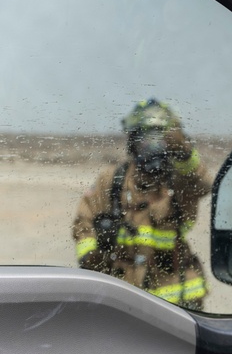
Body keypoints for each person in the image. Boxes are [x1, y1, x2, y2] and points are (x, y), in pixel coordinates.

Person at [72, 99, 210, 310]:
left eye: (160, 140)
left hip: (178, 303)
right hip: (123, 297)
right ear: (133, 141)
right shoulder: (112, 180)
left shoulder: (180, 181)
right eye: (145, 139)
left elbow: (204, 183)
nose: (152, 147)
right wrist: (94, 254)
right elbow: (84, 222)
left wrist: (185, 153)